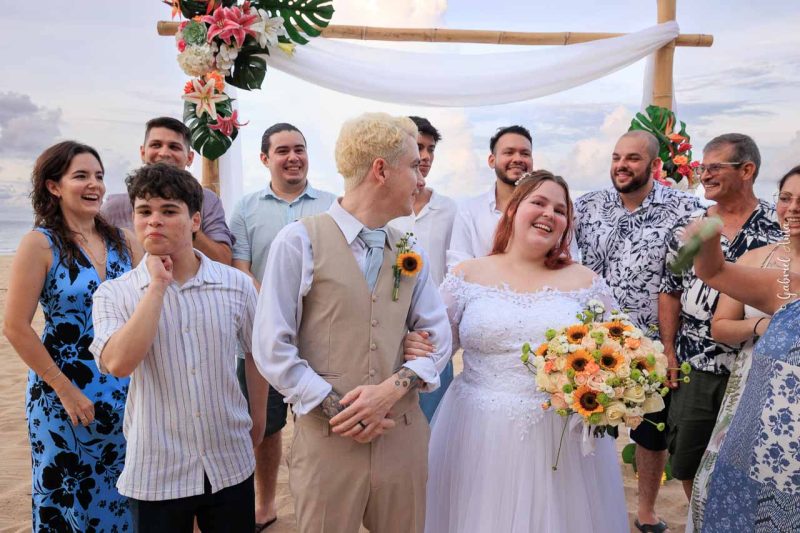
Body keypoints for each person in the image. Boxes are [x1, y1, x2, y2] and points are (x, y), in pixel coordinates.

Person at [253, 112, 452, 533]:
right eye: (414, 166)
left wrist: (390, 390)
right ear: (381, 170)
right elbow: (272, 346)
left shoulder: (410, 249)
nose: (421, 180)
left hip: (402, 439)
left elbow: (438, 337)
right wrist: (339, 409)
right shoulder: (299, 241)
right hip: (327, 445)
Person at [422, 170, 628, 532]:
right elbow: (436, 346)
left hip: (557, 436)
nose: (550, 214)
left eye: (560, 210)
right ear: (513, 209)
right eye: (539, 203)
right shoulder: (468, 275)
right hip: (476, 428)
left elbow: (619, 349)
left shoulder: (586, 282)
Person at [89, 163, 267, 532]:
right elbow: (119, 363)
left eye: (169, 211)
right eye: (144, 211)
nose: (154, 220)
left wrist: (258, 419)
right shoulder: (114, 293)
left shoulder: (236, 285)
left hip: (229, 458)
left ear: (195, 220)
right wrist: (157, 287)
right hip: (156, 466)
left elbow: (256, 354)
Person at [3, 141, 140, 531]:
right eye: (81, 176)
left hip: (125, 389)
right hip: (62, 394)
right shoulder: (39, 244)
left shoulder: (124, 241)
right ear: (54, 186)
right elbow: (15, 326)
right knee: (70, 499)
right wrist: (65, 389)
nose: (94, 184)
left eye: (99, 176)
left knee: (126, 495)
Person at [574, 130, 700, 533]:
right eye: (616, 157)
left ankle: (645, 511)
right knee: (587, 427)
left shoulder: (683, 209)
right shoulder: (587, 206)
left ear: (655, 165)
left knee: (651, 433)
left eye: (632, 158)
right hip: (588, 342)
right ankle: (586, 508)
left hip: (650, 344)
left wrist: (669, 349)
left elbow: (677, 284)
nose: (621, 166)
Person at [659, 133, 783, 499]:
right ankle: (699, 519)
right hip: (695, 363)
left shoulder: (778, 227)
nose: (705, 175)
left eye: (715, 167)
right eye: (702, 167)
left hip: (756, 363)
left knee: (749, 462)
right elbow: (670, 291)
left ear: (747, 170)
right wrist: (668, 350)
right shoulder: (688, 229)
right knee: (688, 459)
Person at [229, 122, 335, 530]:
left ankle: (323, 504)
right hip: (263, 341)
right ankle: (267, 503)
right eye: (283, 150)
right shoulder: (246, 208)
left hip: (321, 337)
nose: (293, 157)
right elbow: (241, 267)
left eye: (299, 149)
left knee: (322, 423)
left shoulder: (332, 205)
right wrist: (278, 307)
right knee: (265, 427)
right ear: (265, 158)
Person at [688, 165, 800, 531]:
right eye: (786, 198)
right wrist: (763, 326)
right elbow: (714, 275)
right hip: (758, 388)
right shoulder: (768, 268)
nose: (793, 208)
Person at [389, 116, 457, 421]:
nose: (426, 156)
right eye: (419, 147)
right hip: (389, 337)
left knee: (435, 426)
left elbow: (456, 272)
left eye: (431, 149)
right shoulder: (386, 208)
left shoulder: (450, 209)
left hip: (432, 339)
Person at [101, 116, 234, 264]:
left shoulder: (207, 200)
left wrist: (186, 222)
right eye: (156, 145)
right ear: (143, 152)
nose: (164, 153)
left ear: (190, 158)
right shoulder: (114, 208)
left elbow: (223, 260)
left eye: (174, 147)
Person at [447, 125, 532, 267]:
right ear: (492, 161)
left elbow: (565, 261)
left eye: (525, 154)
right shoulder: (469, 211)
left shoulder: (548, 211)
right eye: (509, 152)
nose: (518, 159)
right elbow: (458, 266)